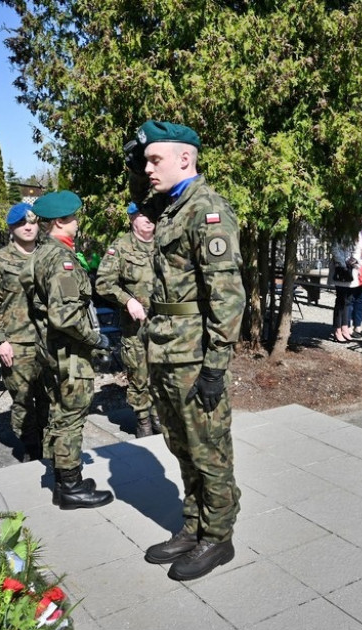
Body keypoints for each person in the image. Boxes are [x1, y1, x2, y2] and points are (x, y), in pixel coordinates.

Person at [134, 120, 245, 582]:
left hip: (195, 354)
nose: (147, 168)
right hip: (167, 349)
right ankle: (195, 524)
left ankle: (218, 537)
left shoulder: (208, 210)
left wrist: (215, 365)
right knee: (181, 444)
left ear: (185, 158)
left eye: (155, 159)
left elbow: (227, 296)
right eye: (145, 160)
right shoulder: (172, 210)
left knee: (208, 447)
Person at [21, 191, 114, 510]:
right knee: (71, 415)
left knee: (59, 412)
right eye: (74, 217)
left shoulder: (41, 253)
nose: (78, 222)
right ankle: (71, 487)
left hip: (51, 349)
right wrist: (94, 339)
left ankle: (64, 480)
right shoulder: (61, 260)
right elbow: (66, 315)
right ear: (60, 221)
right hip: (68, 353)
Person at [0, 203, 50, 461]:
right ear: (12, 228)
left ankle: (48, 448)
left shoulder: (49, 254)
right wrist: (0, 340)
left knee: (49, 399)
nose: (28, 226)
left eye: (32, 221)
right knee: (23, 400)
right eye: (22, 223)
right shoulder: (0, 260)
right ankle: (31, 449)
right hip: (17, 343)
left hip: (49, 341)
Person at [95, 202, 161, 438]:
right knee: (139, 375)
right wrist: (127, 300)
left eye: (150, 214)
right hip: (135, 329)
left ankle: (158, 416)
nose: (147, 219)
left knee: (161, 373)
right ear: (132, 218)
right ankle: (143, 421)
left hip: (164, 325)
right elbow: (103, 283)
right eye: (142, 214)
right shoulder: (121, 247)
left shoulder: (164, 243)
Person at [327, 231, 362, 343]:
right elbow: (335, 250)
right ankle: (337, 330)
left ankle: (345, 327)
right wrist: (344, 264)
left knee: (348, 300)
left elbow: (356, 248)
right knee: (340, 301)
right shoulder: (340, 229)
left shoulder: (355, 230)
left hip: (351, 270)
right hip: (341, 271)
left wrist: (354, 261)